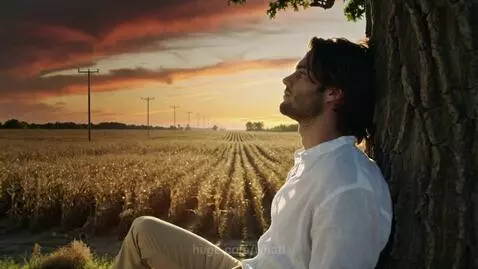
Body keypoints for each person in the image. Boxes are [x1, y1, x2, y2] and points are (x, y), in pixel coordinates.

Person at [111, 37, 393, 269]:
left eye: (302, 74)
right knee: (144, 233)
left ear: (333, 93)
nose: (287, 79)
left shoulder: (348, 185)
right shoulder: (317, 162)